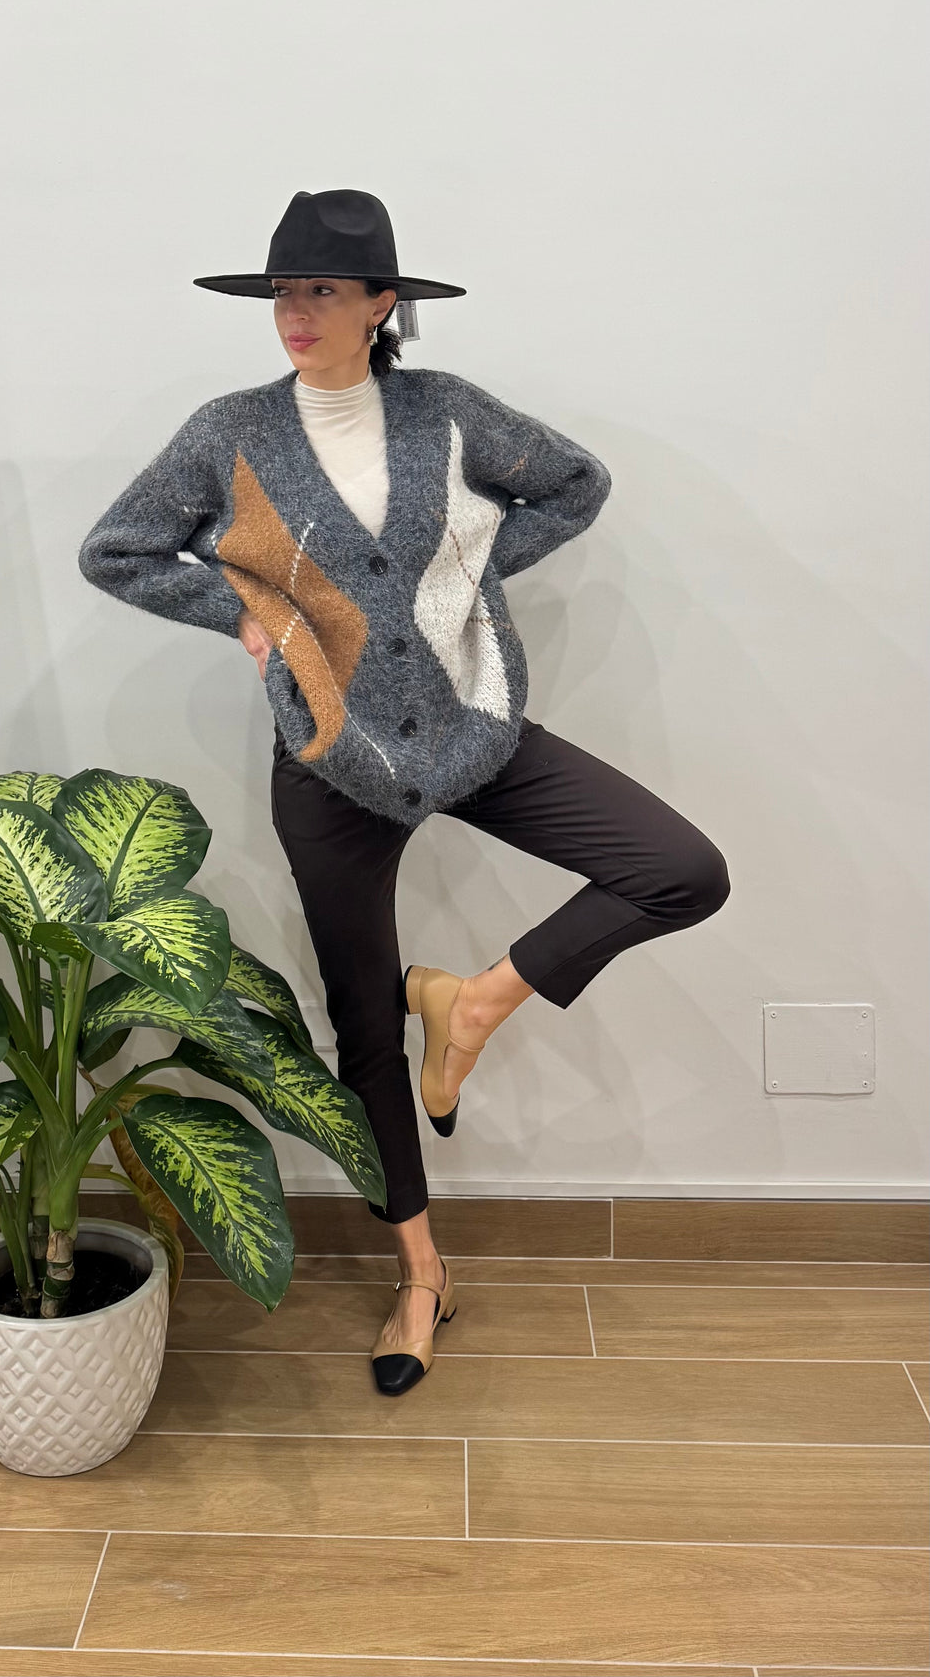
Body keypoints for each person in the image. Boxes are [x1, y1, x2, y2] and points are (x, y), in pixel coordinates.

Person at [78, 187, 731, 1397]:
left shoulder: (445, 412)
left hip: (471, 727)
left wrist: (455, 575)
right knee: (363, 1021)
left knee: (679, 869)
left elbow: (573, 484)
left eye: (323, 291)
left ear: (382, 303)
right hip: (332, 758)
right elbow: (115, 549)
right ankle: (421, 1274)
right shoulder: (229, 432)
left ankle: (472, 1001)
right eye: (283, 291)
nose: (295, 312)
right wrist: (248, 610)